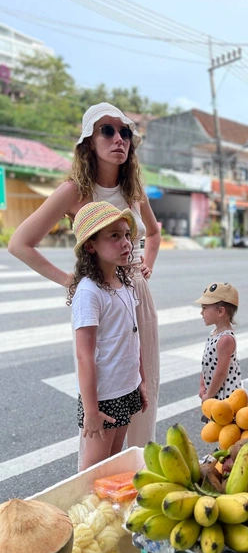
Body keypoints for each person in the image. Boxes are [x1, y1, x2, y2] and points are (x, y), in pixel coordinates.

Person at [8, 102, 160, 459]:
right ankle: (94, 476)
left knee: (141, 382)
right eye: (106, 130)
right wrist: (68, 281)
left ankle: (133, 475)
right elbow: (19, 243)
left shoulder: (134, 189)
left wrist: (146, 263)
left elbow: (152, 234)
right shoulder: (74, 190)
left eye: (124, 132)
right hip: (98, 293)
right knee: (102, 385)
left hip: (134, 293)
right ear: (89, 141)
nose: (118, 138)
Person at [68, 201, 148, 470]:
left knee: (115, 463)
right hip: (103, 397)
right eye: (114, 236)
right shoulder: (89, 292)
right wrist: (91, 411)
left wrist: (141, 381)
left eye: (127, 235)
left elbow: (133, 337)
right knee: (94, 471)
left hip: (126, 388)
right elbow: (84, 355)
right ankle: (83, 513)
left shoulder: (124, 283)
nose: (126, 242)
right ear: (91, 246)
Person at [196, 282, 242, 402]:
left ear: (221, 311)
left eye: (204, 308)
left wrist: (209, 395)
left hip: (224, 398)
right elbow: (207, 363)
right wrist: (202, 385)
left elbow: (221, 373)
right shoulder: (214, 333)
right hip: (213, 393)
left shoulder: (225, 339)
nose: (201, 313)